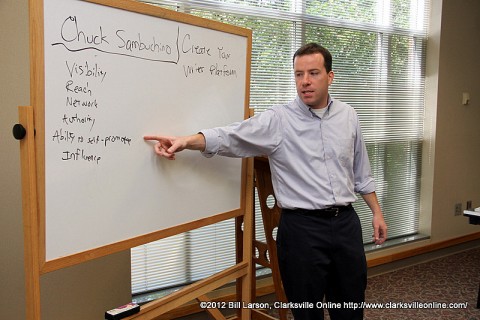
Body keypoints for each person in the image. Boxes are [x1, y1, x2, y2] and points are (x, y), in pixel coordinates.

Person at [144, 42, 387, 320]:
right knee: (307, 313)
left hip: (346, 224)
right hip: (301, 231)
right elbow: (230, 136)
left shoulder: (349, 116)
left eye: (313, 73)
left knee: (350, 307)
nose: (305, 82)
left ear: (330, 76)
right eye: (298, 74)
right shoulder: (278, 120)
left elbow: (361, 173)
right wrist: (186, 140)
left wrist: (377, 213)